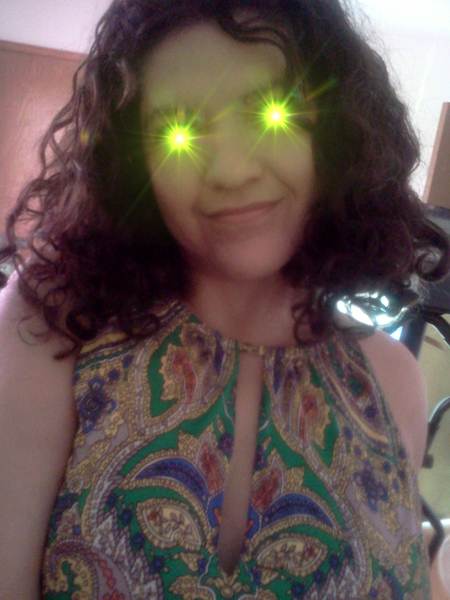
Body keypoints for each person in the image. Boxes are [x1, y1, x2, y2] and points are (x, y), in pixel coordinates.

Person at [0, 0, 448, 598]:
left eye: (270, 112)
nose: (231, 170)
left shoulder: (393, 381)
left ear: (334, 131)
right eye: (179, 130)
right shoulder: (54, 323)